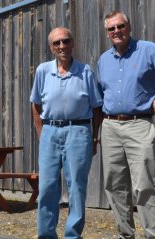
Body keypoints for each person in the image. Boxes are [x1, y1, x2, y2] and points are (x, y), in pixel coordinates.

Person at [97, 11, 155, 239]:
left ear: (129, 26)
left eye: (120, 26)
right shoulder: (103, 59)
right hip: (109, 127)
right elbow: (99, 98)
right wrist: (95, 133)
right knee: (114, 186)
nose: (116, 31)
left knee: (145, 185)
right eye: (111, 29)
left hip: (138, 125)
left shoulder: (148, 50)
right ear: (107, 33)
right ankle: (125, 235)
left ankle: (154, 237)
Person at [30, 27, 103, 239]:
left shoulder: (85, 71)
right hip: (50, 131)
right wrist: (42, 134)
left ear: (73, 43)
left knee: (77, 188)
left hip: (79, 131)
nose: (62, 46)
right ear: (51, 48)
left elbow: (97, 107)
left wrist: (95, 137)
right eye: (57, 43)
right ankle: (46, 235)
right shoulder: (43, 71)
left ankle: (72, 235)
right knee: (47, 187)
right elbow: (35, 106)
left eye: (66, 41)